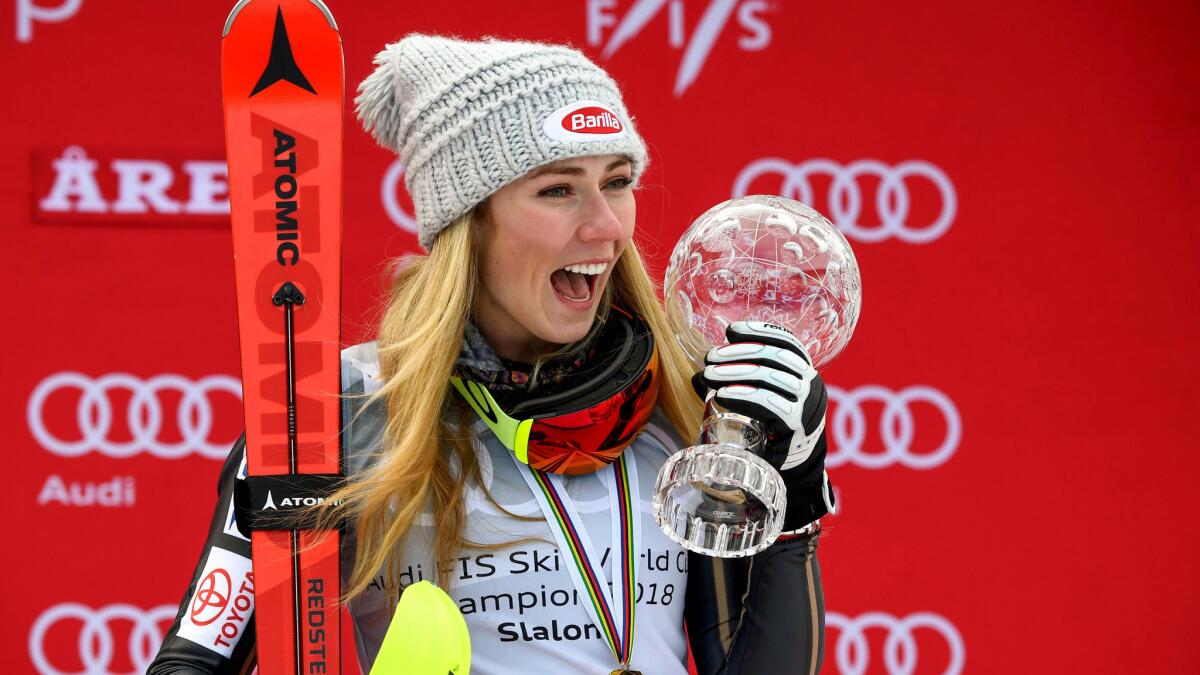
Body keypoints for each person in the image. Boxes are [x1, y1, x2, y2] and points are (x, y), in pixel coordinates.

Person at [149, 34, 834, 675]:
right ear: (468, 222)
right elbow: (191, 664)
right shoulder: (342, 409)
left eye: (618, 180)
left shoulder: (683, 402)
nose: (604, 225)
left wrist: (795, 499)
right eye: (558, 189)